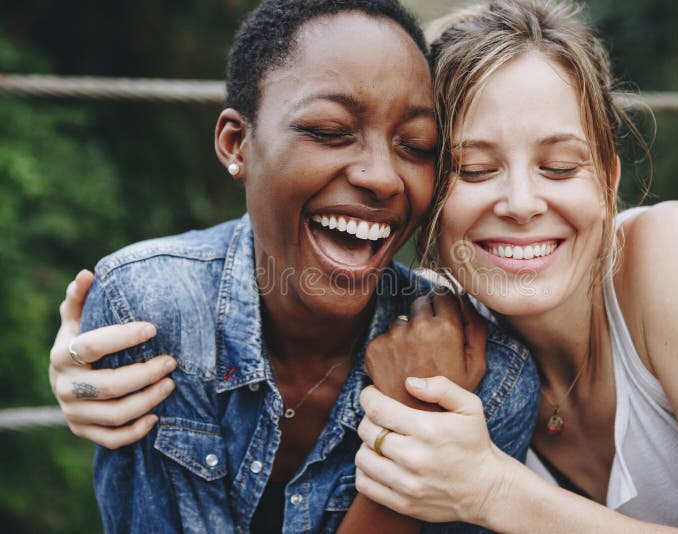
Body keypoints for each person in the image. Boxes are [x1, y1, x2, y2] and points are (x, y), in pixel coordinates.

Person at [47, 1, 539, 532]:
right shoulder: (152, 314)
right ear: (237, 144)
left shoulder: (488, 382)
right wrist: (408, 445)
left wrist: (422, 425)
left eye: (415, 146)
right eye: (330, 131)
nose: (382, 177)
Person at [351, 1, 678, 532]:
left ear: (608, 181)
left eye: (559, 167)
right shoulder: (444, 339)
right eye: (474, 170)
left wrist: (495, 492)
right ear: (428, 198)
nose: (521, 203)